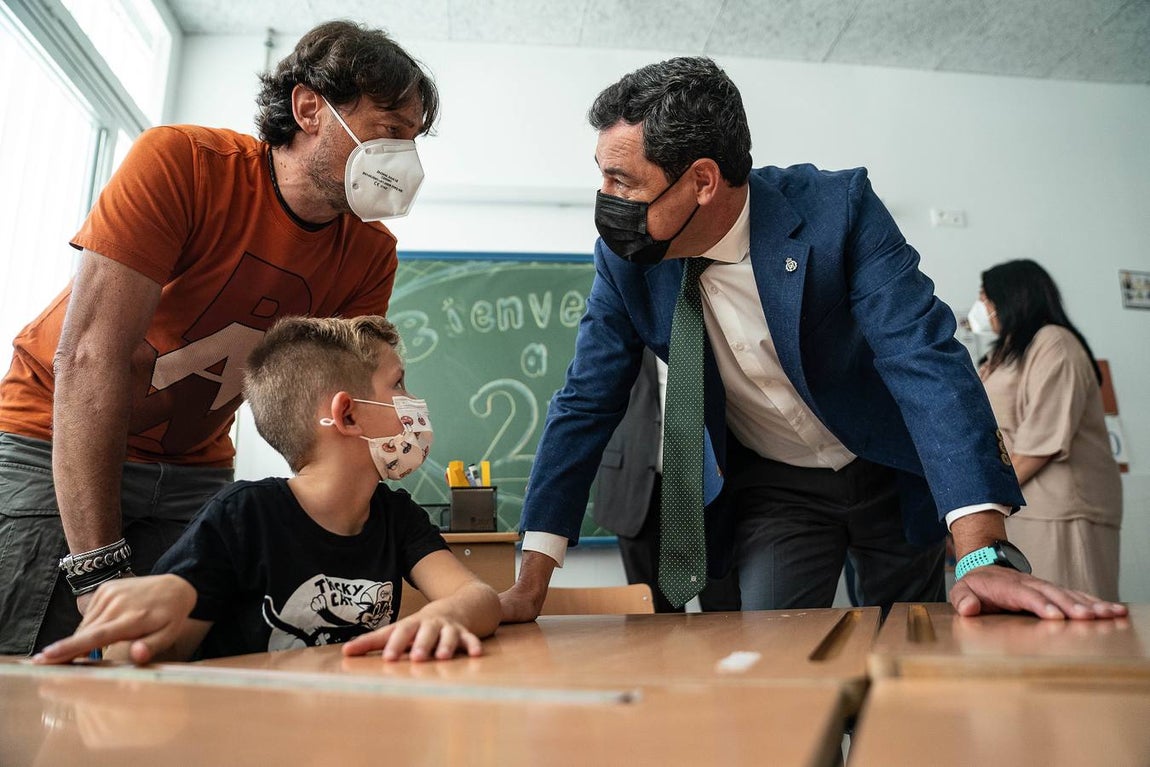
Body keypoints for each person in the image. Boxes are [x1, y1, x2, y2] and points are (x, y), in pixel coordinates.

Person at [500, 56, 1127, 623]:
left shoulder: (838, 211)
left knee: (913, 644)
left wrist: (980, 554)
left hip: (885, 467)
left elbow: (924, 359)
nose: (605, 201)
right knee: (776, 651)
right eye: (601, 178)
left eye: (623, 182)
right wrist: (531, 581)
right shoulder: (625, 262)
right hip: (776, 489)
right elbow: (586, 402)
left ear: (703, 180)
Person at [0, 20, 439, 655]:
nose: (404, 157)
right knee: (32, 676)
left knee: (179, 673)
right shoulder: (184, 164)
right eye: (389, 130)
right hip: (53, 442)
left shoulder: (370, 253)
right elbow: (92, 352)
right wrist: (96, 566)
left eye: (414, 139)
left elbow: (333, 411)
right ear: (309, 107)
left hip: (194, 468)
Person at [34, 315, 501, 664]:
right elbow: (142, 655)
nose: (414, 403)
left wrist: (448, 615)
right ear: (348, 415)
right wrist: (171, 602)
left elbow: (477, 598)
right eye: (398, 382)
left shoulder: (396, 516)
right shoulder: (243, 515)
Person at [974, 260, 1123, 600]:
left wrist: (986, 500)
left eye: (985, 297)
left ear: (1013, 296)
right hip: (1019, 506)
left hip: (1060, 507)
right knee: (1030, 622)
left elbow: (1041, 443)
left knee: (1071, 614)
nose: (981, 307)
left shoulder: (1054, 343)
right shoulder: (1002, 355)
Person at [593, 348, 740, 612]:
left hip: (715, 483)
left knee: (727, 610)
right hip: (637, 483)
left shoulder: (719, 318)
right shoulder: (627, 311)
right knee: (653, 625)